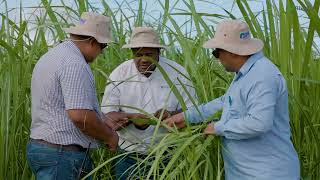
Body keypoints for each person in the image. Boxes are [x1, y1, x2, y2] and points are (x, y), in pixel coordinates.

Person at [163, 20, 300, 180]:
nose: (217, 58)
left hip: (267, 174)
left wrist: (218, 128)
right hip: (245, 173)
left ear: (232, 51)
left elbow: (259, 123)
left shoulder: (263, 75)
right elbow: (224, 102)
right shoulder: (245, 74)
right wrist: (186, 117)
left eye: (216, 53)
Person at [26, 12, 119, 179]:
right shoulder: (74, 63)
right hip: (62, 155)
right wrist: (109, 136)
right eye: (103, 46)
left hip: (45, 149)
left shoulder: (51, 56)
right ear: (92, 41)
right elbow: (80, 116)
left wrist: (103, 120)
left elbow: (59, 107)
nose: (102, 53)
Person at [101, 27, 196, 179]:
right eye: (138, 54)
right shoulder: (119, 74)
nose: (144, 59)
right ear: (132, 53)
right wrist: (132, 118)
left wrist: (169, 116)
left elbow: (193, 112)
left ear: (159, 52)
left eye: (149, 54)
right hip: (128, 156)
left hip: (168, 156)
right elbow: (107, 117)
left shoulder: (177, 73)